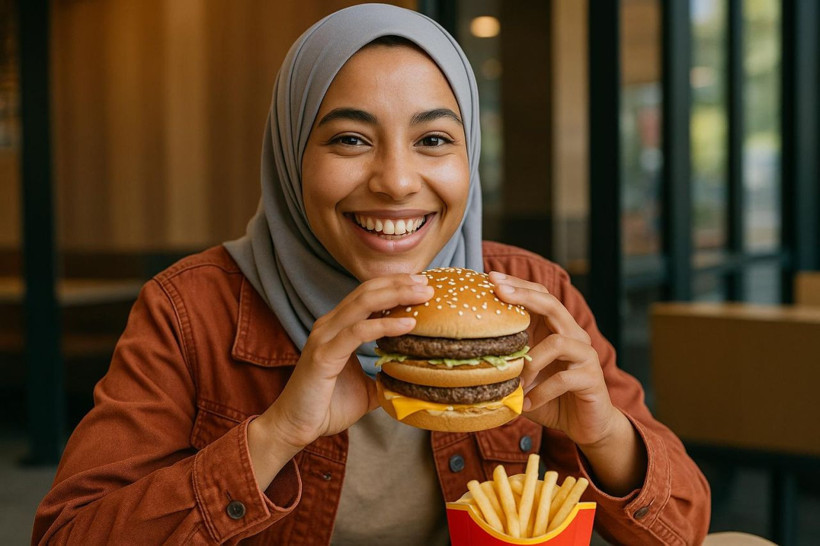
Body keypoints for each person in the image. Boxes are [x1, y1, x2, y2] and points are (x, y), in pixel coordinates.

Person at [33, 4, 710, 545]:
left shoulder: (531, 296)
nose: (394, 181)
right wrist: (275, 436)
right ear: (292, 153)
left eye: (435, 140)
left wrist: (605, 437)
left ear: (470, 157)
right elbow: (68, 534)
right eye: (350, 139)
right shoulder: (191, 311)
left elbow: (686, 528)